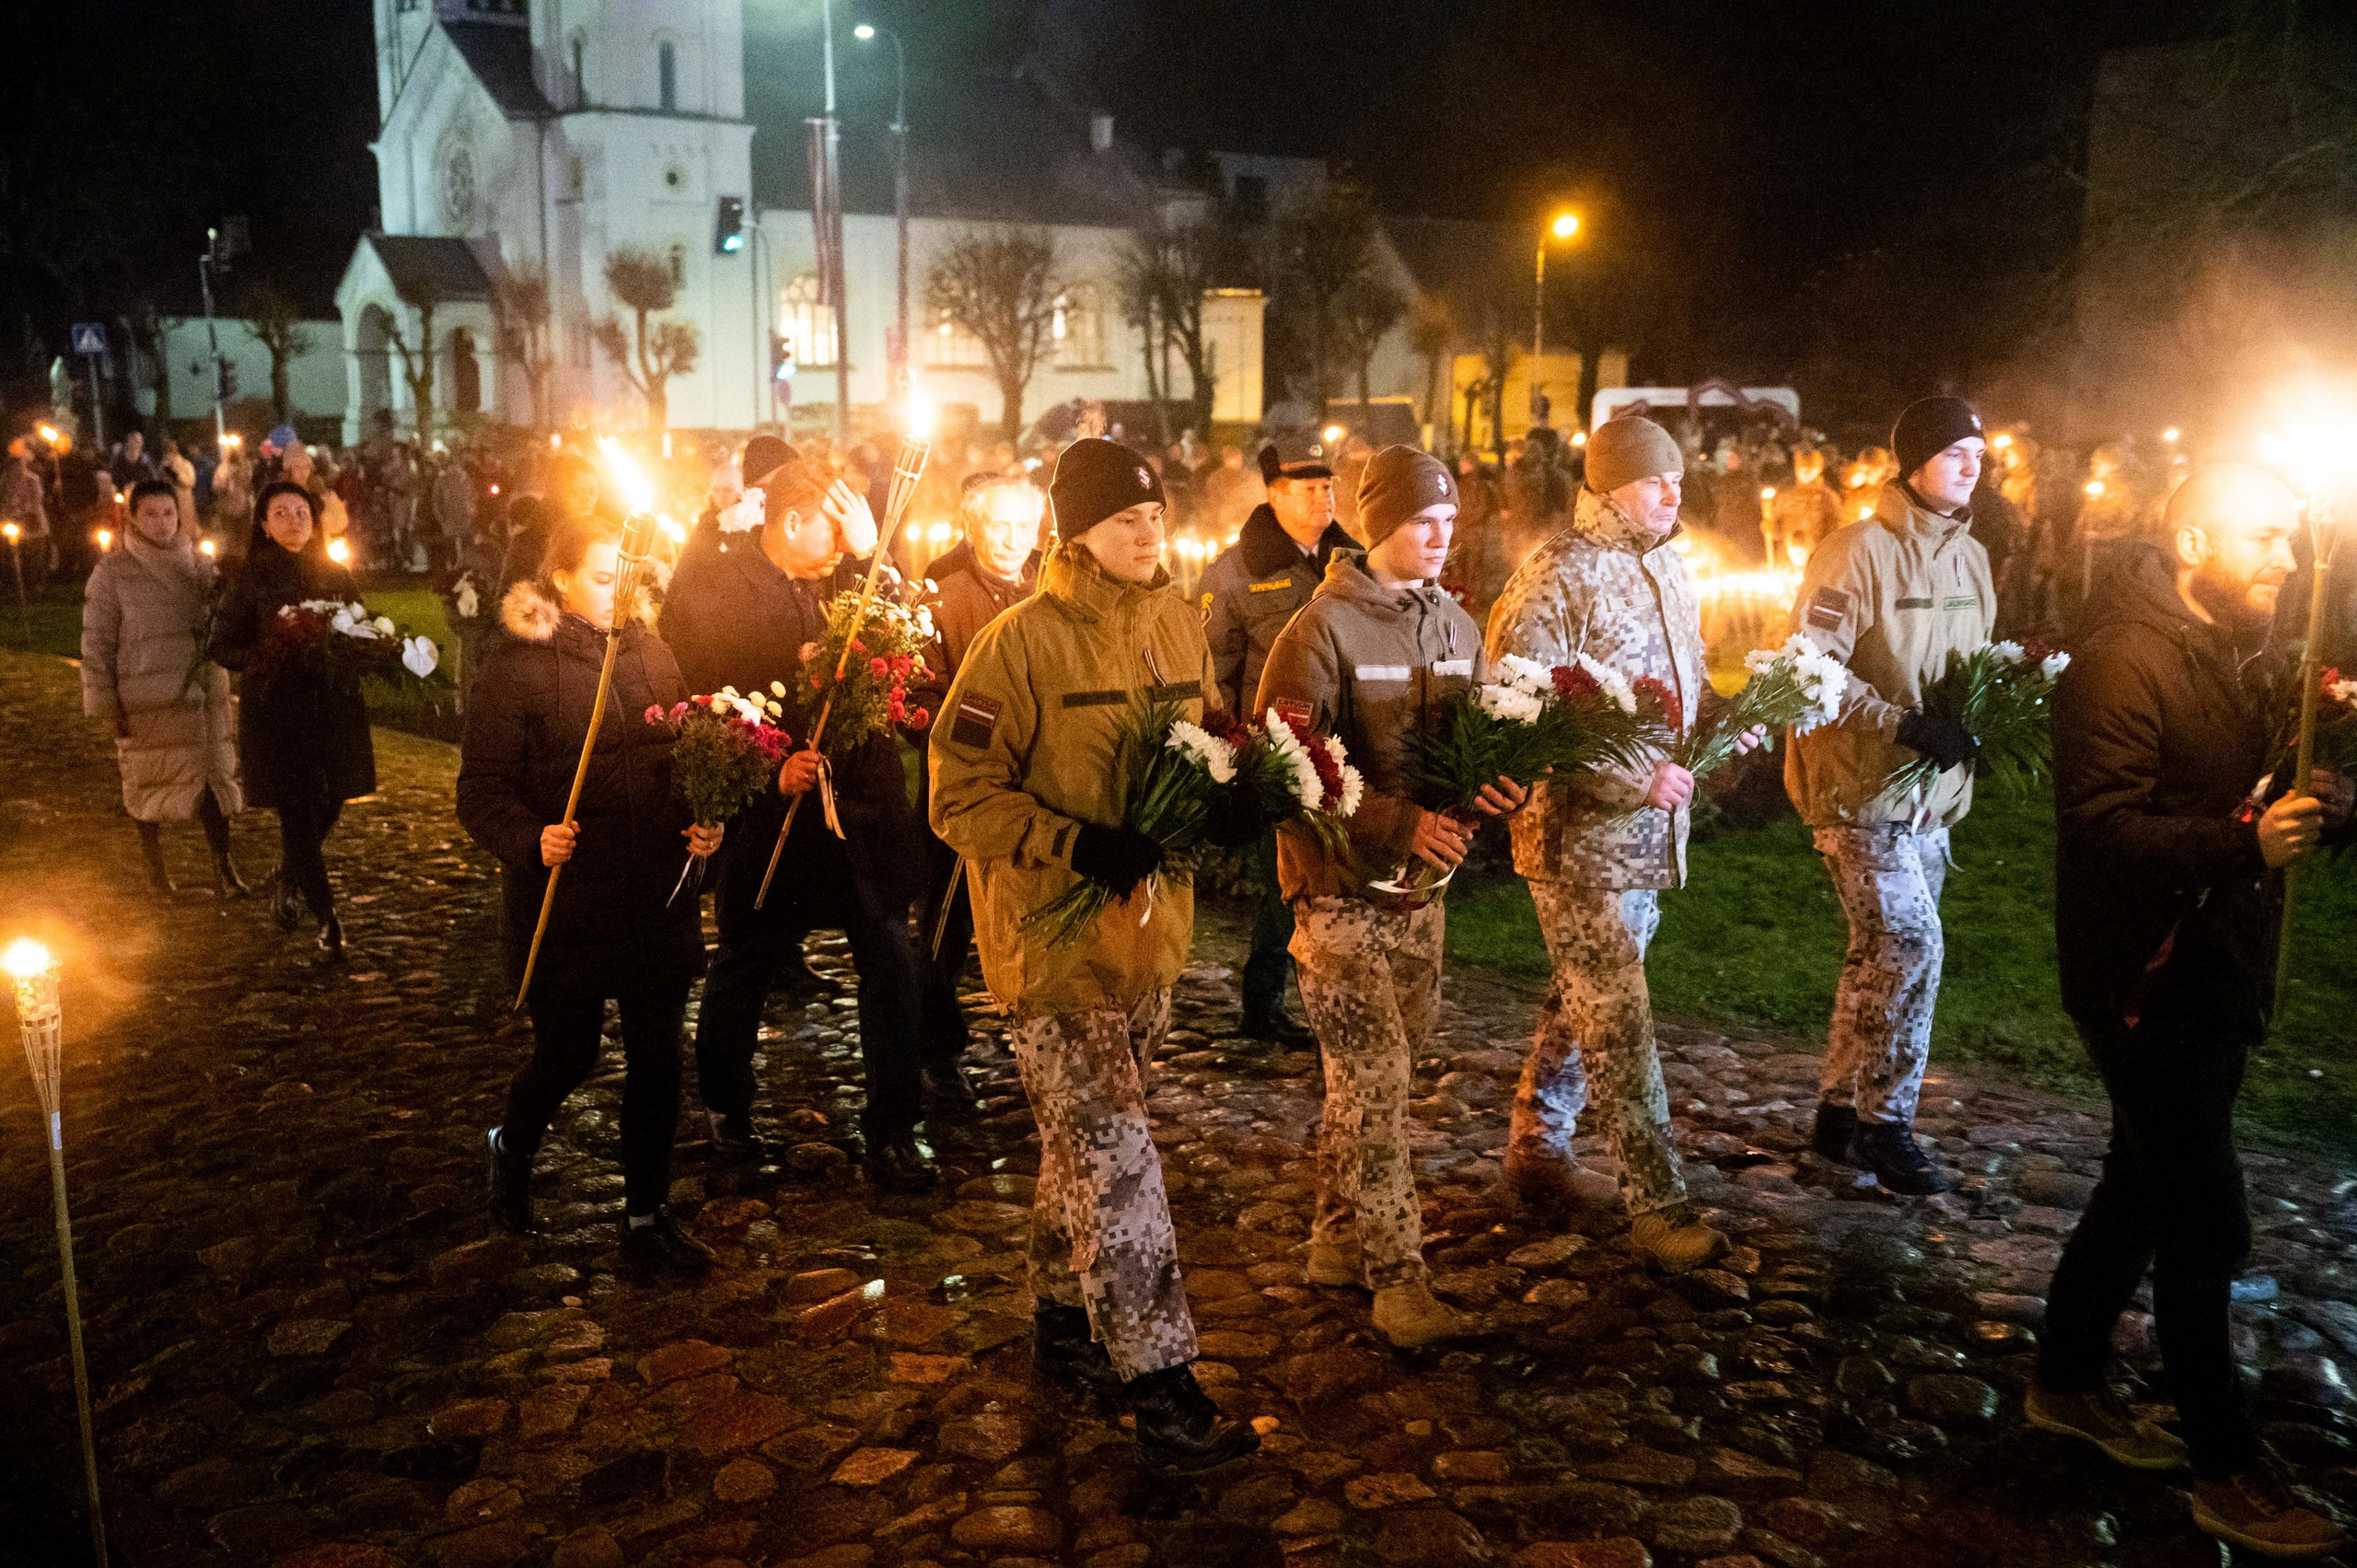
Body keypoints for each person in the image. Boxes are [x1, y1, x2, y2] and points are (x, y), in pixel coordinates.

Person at [2031, 464, 2351, 1559]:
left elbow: (2242, 780)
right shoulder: (2125, 655)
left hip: (2212, 969)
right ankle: (2224, 1467)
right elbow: (2101, 827)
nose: (2285, 560)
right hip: (2143, 979)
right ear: (2194, 532)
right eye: (2265, 537)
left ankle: (2066, 1379)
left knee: (2139, 1183)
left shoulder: (2230, 641)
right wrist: (2240, 843)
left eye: (2292, 541)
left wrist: (2318, 794)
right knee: (2206, 1216)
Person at [931, 436, 1260, 1470]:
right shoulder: (1015, 644)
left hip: (1151, 939)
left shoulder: (1176, 621)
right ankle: (1160, 1385)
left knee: (1086, 1147)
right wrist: (1073, 842)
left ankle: (1062, 1313)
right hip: (1051, 946)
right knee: (1120, 1161)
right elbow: (956, 796)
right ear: (1074, 531)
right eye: (1125, 518)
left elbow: (1203, 741)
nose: (1147, 531)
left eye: (1155, 515)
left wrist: (1236, 797)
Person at [1256, 446, 1527, 1346]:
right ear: (1381, 526)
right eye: (1423, 523)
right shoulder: (1320, 629)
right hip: (1337, 893)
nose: (1442, 538)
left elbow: (1476, 737)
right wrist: (1394, 822)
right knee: (1373, 1081)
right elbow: (1287, 764)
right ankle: (1396, 1277)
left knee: (1383, 1077)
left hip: (1422, 894)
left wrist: (1496, 783)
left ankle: (1337, 1238)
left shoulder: (1458, 626)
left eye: (1450, 522)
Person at [1486, 415, 1763, 1271]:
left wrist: (1724, 719)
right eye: (1652, 480)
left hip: (1648, 833)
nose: (1671, 493)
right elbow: (1516, 707)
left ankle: (1538, 1142)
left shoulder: (1670, 564)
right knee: (1619, 1012)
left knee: (1588, 991)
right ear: (1605, 486)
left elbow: (1683, 673)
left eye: (1676, 478)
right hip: (1579, 836)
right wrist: (1629, 777)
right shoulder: (1556, 575)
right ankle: (1660, 1202)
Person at [660, 447, 939, 1189]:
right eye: (834, 522)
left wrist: (876, 549)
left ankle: (893, 1124)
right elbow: (703, 705)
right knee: (745, 961)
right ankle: (726, 1102)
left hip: (863, 814)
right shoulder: (721, 590)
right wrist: (766, 769)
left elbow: (913, 635)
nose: (846, 538)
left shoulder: (856, 573)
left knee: (890, 961)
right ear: (791, 521)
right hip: (775, 820)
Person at [458, 513, 725, 1274]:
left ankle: (645, 1216)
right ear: (561, 580)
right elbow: (480, 792)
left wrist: (706, 825)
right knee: (567, 1053)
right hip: (567, 904)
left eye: (627, 578)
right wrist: (531, 837)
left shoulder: (654, 652)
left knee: (657, 1058)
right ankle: (511, 1145)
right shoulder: (518, 669)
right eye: (602, 578)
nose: (618, 592)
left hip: (653, 900)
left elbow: (685, 758)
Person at [1786, 396, 1995, 1194]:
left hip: (1930, 799)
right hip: (1859, 789)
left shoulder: (1971, 558)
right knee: (1913, 946)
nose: (1971, 463)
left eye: (1978, 451)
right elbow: (1810, 670)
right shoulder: (1856, 551)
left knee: (1876, 954)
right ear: (1912, 463)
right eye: (1953, 452)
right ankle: (1886, 1124)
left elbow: (1975, 668)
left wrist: (1985, 721)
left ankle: (1838, 1113)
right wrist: (1901, 724)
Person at [1199, 434, 1353, 1044]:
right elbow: (1215, 672)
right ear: (1273, 493)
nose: (1323, 498)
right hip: (1276, 756)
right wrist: (1233, 755)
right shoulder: (1236, 574)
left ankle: (1335, 994)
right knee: (1285, 884)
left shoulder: (1354, 561)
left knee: (1344, 883)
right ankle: (1263, 1003)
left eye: (1328, 485)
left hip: (1347, 752)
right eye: (1308, 487)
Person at [914, 470, 1046, 1095]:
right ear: (972, 526)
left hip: (1043, 784)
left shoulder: (1052, 582)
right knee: (947, 921)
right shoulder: (941, 593)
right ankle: (935, 1047)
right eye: (1000, 524)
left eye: (1025, 525)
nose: (1013, 538)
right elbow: (921, 694)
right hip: (967, 788)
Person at [206, 481, 377, 955]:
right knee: (298, 812)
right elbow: (222, 645)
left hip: (333, 711)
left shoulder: (335, 574)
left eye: (300, 511)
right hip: (279, 715)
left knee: (331, 803)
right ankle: (328, 918)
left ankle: (290, 872)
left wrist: (370, 647)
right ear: (263, 524)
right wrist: (267, 656)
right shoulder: (252, 579)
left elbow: (362, 623)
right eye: (280, 512)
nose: (293, 520)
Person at [81, 478, 246, 896]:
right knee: (148, 783)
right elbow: (96, 643)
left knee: (212, 783)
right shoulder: (113, 573)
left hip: (203, 695)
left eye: (168, 513)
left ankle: (223, 865)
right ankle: (157, 871)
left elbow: (226, 618)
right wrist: (105, 705)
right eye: (150, 514)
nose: (161, 522)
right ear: (133, 519)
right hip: (148, 699)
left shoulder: (199, 565)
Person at [3, 439, 49, 578]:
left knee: (34, 549)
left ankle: (34, 577)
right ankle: (22, 577)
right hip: (17, 518)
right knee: (21, 550)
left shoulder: (33, 478)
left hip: (30, 518)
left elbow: (37, 498)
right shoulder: (7, 479)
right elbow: (7, 496)